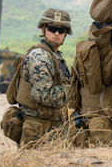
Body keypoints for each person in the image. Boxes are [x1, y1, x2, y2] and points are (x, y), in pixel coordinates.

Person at [16, 8, 72, 146]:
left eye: (62, 30)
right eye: (52, 29)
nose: (57, 33)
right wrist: (72, 91)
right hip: (37, 127)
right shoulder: (40, 56)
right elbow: (44, 95)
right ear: (43, 29)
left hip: (52, 126)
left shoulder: (55, 55)